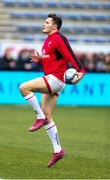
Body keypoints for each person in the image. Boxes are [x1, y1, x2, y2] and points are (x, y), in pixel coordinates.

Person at [19, 14, 85, 167]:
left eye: (47, 22)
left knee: (23, 87)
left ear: (54, 26)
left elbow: (70, 54)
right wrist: (40, 60)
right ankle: (58, 150)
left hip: (55, 79)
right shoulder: (48, 40)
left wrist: (80, 70)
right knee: (48, 116)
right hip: (52, 79)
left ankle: (39, 117)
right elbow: (52, 59)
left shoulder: (59, 38)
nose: (44, 24)